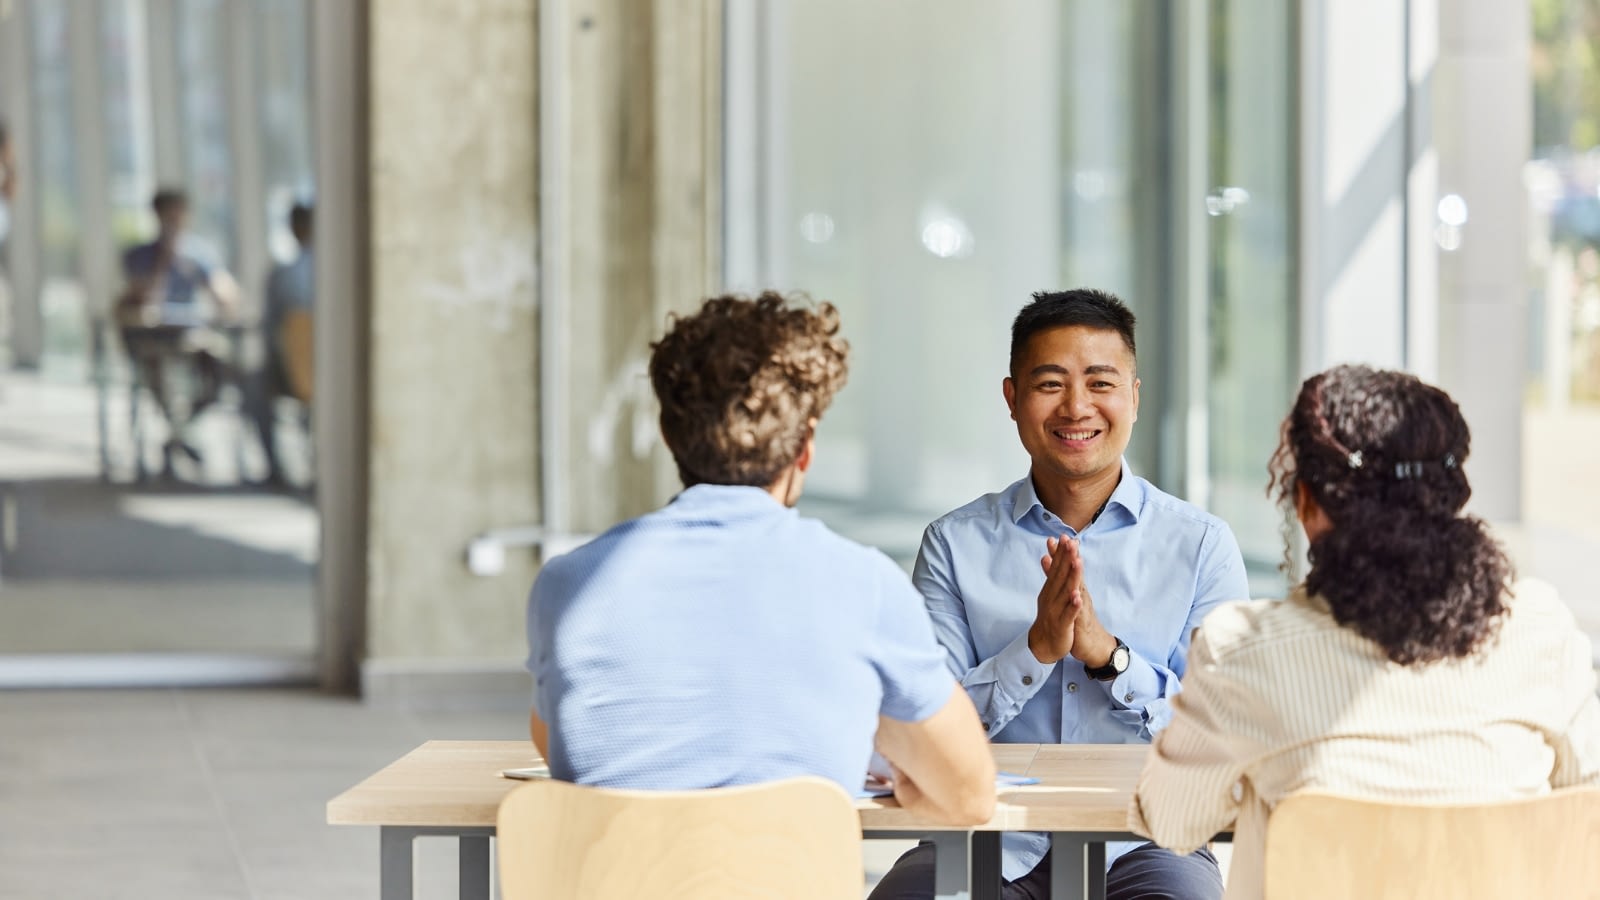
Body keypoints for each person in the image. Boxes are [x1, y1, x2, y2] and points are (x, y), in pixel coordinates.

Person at [524, 291, 997, 828]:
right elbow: (971, 796)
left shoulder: (567, 585)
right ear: (806, 447)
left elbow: (558, 750)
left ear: (668, 436)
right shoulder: (863, 585)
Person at [1129, 364, 1600, 900]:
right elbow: (1585, 802)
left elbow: (1168, 820)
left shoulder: (1242, 650)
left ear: (1306, 502)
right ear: (1450, 499)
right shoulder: (1540, 628)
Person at [872, 289, 1247, 900]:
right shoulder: (953, 544)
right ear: (1012, 399)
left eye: (1100, 382)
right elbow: (923, 728)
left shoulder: (1202, 545)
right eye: (1050, 384)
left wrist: (1110, 657)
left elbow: (1222, 734)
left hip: (1150, 839)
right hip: (979, 833)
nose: (1077, 407)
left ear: (1133, 397)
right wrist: (1035, 652)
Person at [116, 187, 240, 477]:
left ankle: (177, 434)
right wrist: (164, 260)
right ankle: (180, 435)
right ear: (156, 216)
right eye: (167, 214)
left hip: (190, 335)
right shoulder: (140, 255)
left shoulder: (199, 253)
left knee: (223, 367)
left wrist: (222, 294)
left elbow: (224, 293)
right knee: (159, 376)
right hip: (152, 338)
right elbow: (141, 299)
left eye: (179, 214)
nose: (174, 221)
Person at [252, 201, 313, 486]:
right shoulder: (343, 271)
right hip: (328, 375)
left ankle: (275, 470)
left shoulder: (284, 274)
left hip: (296, 373)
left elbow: (269, 330)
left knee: (254, 389)